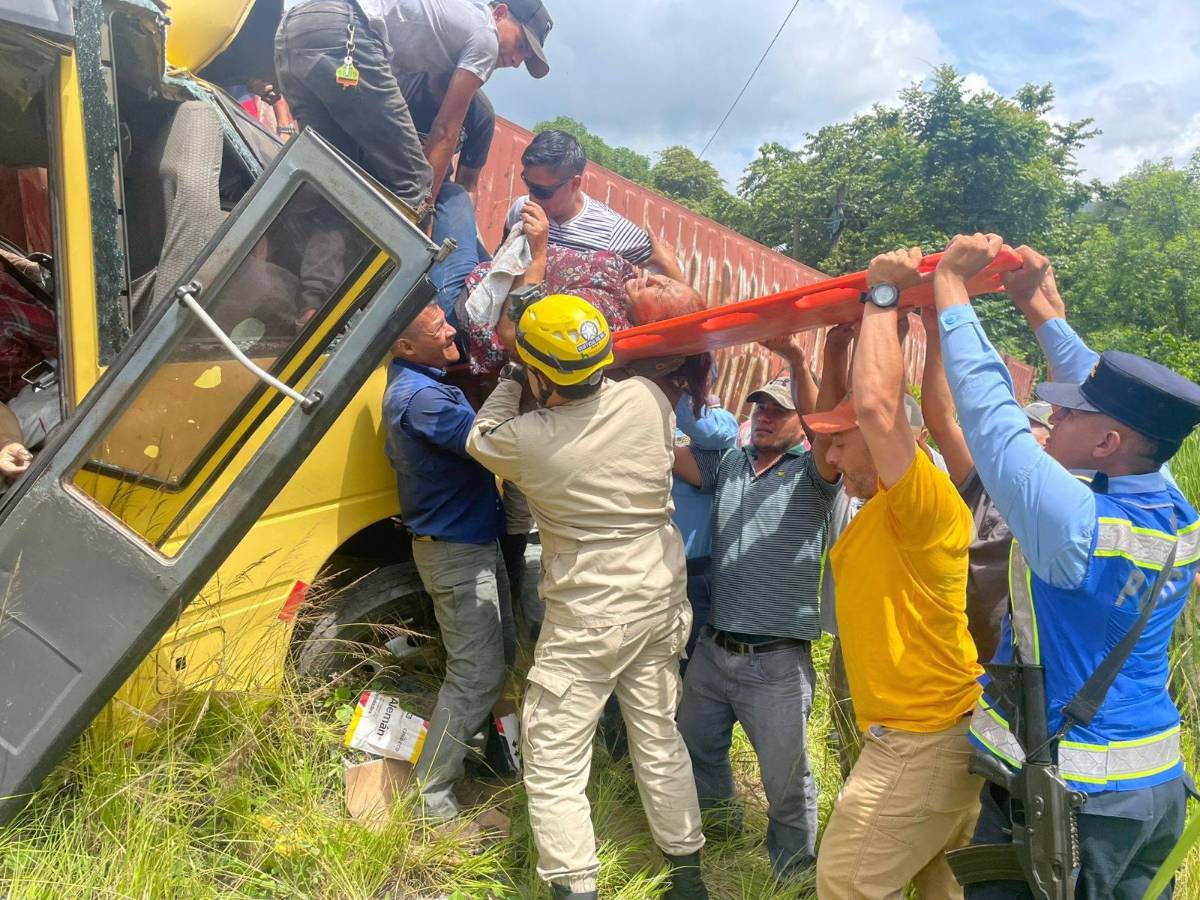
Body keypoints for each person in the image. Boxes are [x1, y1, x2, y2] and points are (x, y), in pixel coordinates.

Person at [931, 236, 1200, 898]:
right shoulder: (1167, 500)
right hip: (1152, 788)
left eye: (1069, 413)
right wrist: (1035, 304)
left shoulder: (1075, 528)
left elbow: (993, 421)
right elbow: (1106, 393)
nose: (1052, 415)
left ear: (1107, 442)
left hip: (1074, 799)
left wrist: (950, 288)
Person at [465, 295, 708, 900]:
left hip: (593, 614)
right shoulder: (647, 400)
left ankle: (574, 886)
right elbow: (620, 375)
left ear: (541, 375)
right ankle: (687, 876)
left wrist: (513, 373)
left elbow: (480, 436)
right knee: (656, 733)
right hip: (659, 593)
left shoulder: (527, 440)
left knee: (553, 757)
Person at [808, 248, 984, 900]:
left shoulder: (920, 500)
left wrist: (882, 295)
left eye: (839, 440)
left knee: (847, 884)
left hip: (923, 740)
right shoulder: (883, 505)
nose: (828, 452)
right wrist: (910, 330)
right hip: (933, 733)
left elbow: (885, 411)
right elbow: (895, 411)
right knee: (939, 886)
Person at [672, 336, 841, 882]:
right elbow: (663, 450)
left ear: (800, 422)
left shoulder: (815, 476)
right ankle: (719, 830)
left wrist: (795, 359)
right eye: (760, 407)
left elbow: (827, 429)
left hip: (776, 664)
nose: (765, 416)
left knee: (787, 782)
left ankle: (791, 878)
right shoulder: (729, 464)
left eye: (779, 409)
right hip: (714, 650)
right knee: (698, 748)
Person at [382, 301, 510, 821]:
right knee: (477, 672)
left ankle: (470, 759)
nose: (452, 329)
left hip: (471, 543)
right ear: (405, 347)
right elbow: (490, 444)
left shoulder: (418, 383)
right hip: (459, 555)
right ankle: (430, 796)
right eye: (439, 328)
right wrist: (515, 381)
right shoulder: (421, 400)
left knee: (494, 659)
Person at [275, 0, 551, 213]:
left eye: (526, 57)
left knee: (333, 172)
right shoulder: (485, 38)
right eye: (521, 44)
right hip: (347, 35)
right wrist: (422, 210)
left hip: (299, 25)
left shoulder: (451, 17)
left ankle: (291, 272)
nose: (517, 60)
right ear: (500, 13)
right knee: (417, 185)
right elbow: (445, 131)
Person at [919, 304, 1053, 665]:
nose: (1016, 438)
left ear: (1051, 444)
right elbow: (940, 421)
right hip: (957, 655)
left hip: (1025, 664)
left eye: (1031, 431)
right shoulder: (984, 480)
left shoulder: (1063, 498)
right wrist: (934, 334)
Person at [505, 130, 655, 265]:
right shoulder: (520, 208)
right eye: (528, 183)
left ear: (575, 184)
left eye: (542, 191)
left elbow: (669, 281)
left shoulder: (612, 231)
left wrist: (669, 265)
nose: (532, 197)